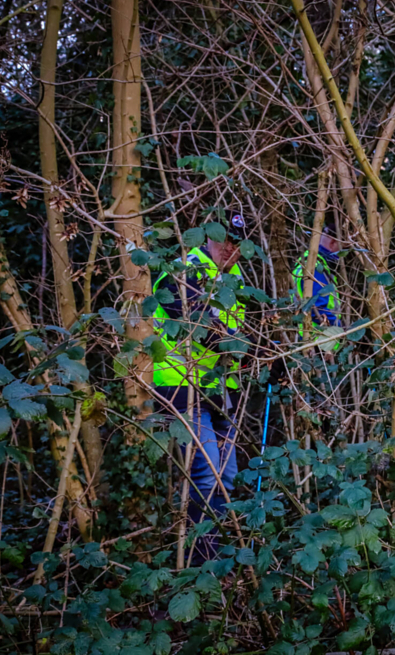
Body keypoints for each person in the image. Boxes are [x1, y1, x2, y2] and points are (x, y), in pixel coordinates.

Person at [151, 212, 248, 547]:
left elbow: (239, 333)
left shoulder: (236, 279)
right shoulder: (183, 270)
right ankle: (199, 560)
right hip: (181, 386)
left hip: (221, 391)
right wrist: (248, 349)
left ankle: (217, 559)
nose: (229, 247)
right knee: (206, 476)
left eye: (237, 241)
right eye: (225, 238)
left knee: (228, 478)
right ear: (209, 234)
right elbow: (199, 328)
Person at [292, 225, 342, 337]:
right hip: (317, 339)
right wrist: (340, 329)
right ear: (333, 243)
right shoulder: (316, 269)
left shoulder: (306, 261)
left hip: (304, 335)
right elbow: (317, 308)